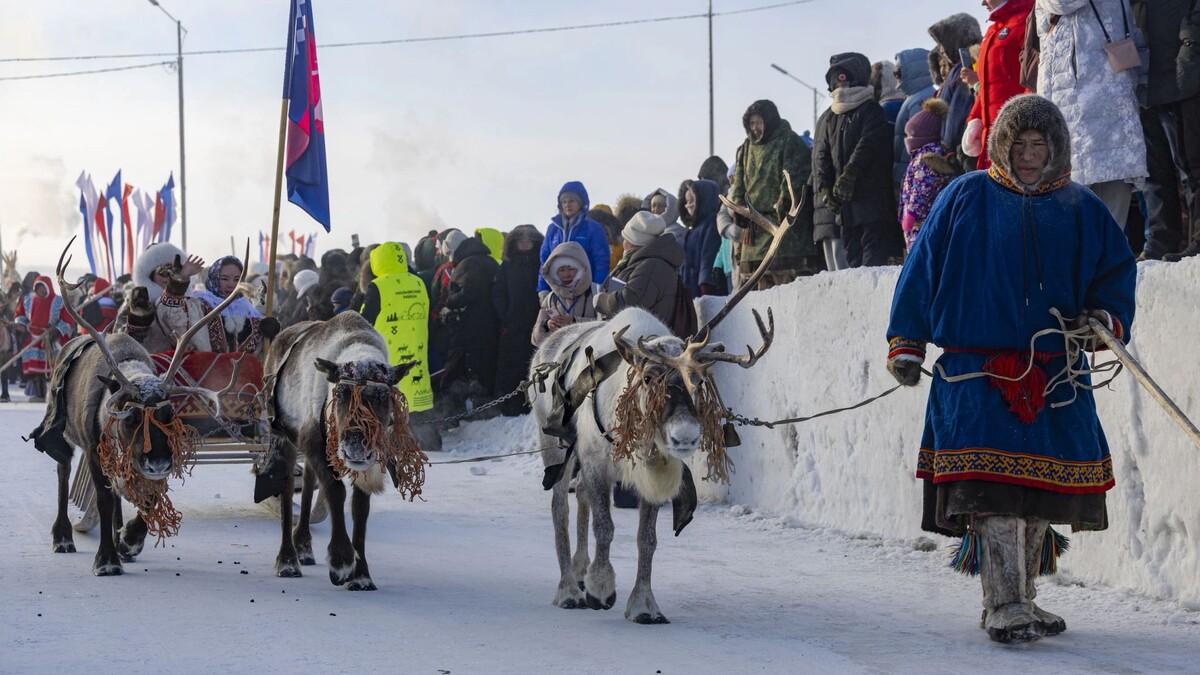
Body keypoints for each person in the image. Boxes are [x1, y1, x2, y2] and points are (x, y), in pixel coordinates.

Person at [887, 94, 1136, 643]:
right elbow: (921, 266)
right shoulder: (964, 195)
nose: (1028, 154)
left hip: (1056, 375)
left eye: (1039, 144)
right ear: (1001, 144)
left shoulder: (1081, 207)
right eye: (1018, 144)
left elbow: (1117, 272)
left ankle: (1024, 599)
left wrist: (1105, 317)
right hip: (976, 377)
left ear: (1056, 148)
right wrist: (906, 341)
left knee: (1036, 494)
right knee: (995, 493)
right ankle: (1003, 603)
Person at [1034, 0, 1148, 229]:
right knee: (1080, 217)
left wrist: (1143, 85)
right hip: (1079, 113)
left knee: (1108, 221)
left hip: (1105, 109)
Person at [814, 53, 905, 269]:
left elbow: (868, 145)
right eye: (836, 81)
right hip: (846, 209)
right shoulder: (832, 117)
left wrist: (849, 175)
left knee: (872, 264)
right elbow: (823, 155)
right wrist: (826, 187)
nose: (840, 85)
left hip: (873, 205)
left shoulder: (872, 110)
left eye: (844, 79)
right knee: (853, 264)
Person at [1131, 0, 1200, 261]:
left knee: (1190, 165)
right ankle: (1161, 240)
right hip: (1144, 76)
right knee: (1152, 172)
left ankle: (1197, 238)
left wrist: (1191, 43)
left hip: (1183, 71)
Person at [730, 99, 820, 287]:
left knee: (783, 283)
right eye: (752, 123)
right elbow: (739, 179)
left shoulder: (789, 141)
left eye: (759, 122)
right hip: (753, 229)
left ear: (769, 121)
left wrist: (783, 203)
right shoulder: (746, 147)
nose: (755, 128)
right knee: (755, 287)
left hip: (782, 229)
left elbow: (793, 176)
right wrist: (738, 205)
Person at [361, 241, 434, 414]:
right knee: (419, 410)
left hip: (389, 356)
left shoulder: (378, 286)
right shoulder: (418, 282)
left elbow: (364, 321)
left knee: (395, 410)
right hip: (418, 351)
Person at [962, 0, 1034, 170]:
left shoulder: (1028, 20)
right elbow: (987, 86)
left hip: (1017, 137)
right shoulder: (992, 31)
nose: (982, 3)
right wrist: (975, 119)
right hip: (993, 137)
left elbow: (1035, 78)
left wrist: (1020, 122)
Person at [595, 212, 686, 330]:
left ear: (631, 242)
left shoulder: (651, 267)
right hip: (639, 337)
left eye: (625, 238)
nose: (623, 244)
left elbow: (629, 304)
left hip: (644, 341)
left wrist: (601, 300)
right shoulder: (645, 262)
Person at [441, 236, 501, 412]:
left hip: (472, 324)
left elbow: (467, 292)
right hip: (492, 322)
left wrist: (449, 303)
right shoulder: (489, 261)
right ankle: (486, 403)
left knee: (466, 367)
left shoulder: (467, 264)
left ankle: (471, 406)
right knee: (487, 365)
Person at [490, 225, 545, 415]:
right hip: (513, 322)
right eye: (521, 241)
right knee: (510, 364)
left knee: (535, 362)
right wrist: (506, 315)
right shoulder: (507, 266)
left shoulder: (542, 263)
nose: (524, 244)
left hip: (537, 321)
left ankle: (535, 401)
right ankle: (509, 404)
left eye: (528, 240)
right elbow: (497, 293)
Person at [928, 13, 983, 171]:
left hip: (961, 150)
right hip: (962, 147)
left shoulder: (962, 70)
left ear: (955, 40)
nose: (941, 50)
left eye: (943, 43)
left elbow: (956, 113)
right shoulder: (959, 69)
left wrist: (949, 149)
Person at [899, 98, 956, 251]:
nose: (907, 140)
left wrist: (911, 213)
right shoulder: (922, 157)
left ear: (920, 137)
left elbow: (921, 189)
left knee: (922, 256)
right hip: (924, 222)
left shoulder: (926, 160)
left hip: (922, 222)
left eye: (909, 136)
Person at [537, 182, 611, 296]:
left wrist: (596, 288)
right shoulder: (553, 229)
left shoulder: (593, 228)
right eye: (564, 202)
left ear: (580, 203)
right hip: (557, 291)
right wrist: (543, 289)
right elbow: (545, 261)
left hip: (585, 292)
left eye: (572, 201)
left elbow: (601, 261)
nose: (567, 205)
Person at [190, 256, 274, 354]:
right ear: (215, 278)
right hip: (206, 367)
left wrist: (271, 329)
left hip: (245, 368)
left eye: (237, 279)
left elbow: (264, 346)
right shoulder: (199, 305)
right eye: (225, 279)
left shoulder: (248, 310)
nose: (231, 284)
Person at [13, 275, 73, 402]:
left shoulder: (58, 301)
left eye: (43, 288)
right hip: (34, 338)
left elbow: (67, 319)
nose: (41, 291)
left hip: (51, 339)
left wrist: (55, 332)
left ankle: (59, 394)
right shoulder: (28, 300)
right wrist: (21, 324)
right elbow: (20, 313)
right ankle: (40, 394)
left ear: (49, 288)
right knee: (36, 369)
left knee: (58, 367)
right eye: (38, 288)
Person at [532, 242, 599, 346]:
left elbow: (608, 325)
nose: (566, 274)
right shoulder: (550, 298)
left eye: (571, 268)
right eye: (561, 270)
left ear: (582, 268)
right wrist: (546, 325)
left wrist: (575, 321)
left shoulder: (597, 293)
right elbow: (536, 340)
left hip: (589, 357)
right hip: (558, 360)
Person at [893, 48, 938, 185]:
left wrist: (903, 176)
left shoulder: (920, 100)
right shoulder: (914, 97)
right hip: (912, 172)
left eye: (898, 72)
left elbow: (916, 142)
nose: (896, 76)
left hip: (914, 175)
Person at [677, 178, 725, 298]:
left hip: (702, 288)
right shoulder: (692, 229)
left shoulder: (711, 223)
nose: (688, 205)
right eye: (686, 201)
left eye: (692, 200)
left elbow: (708, 255)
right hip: (689, 286)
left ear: (702, 200)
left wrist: (705, 283)